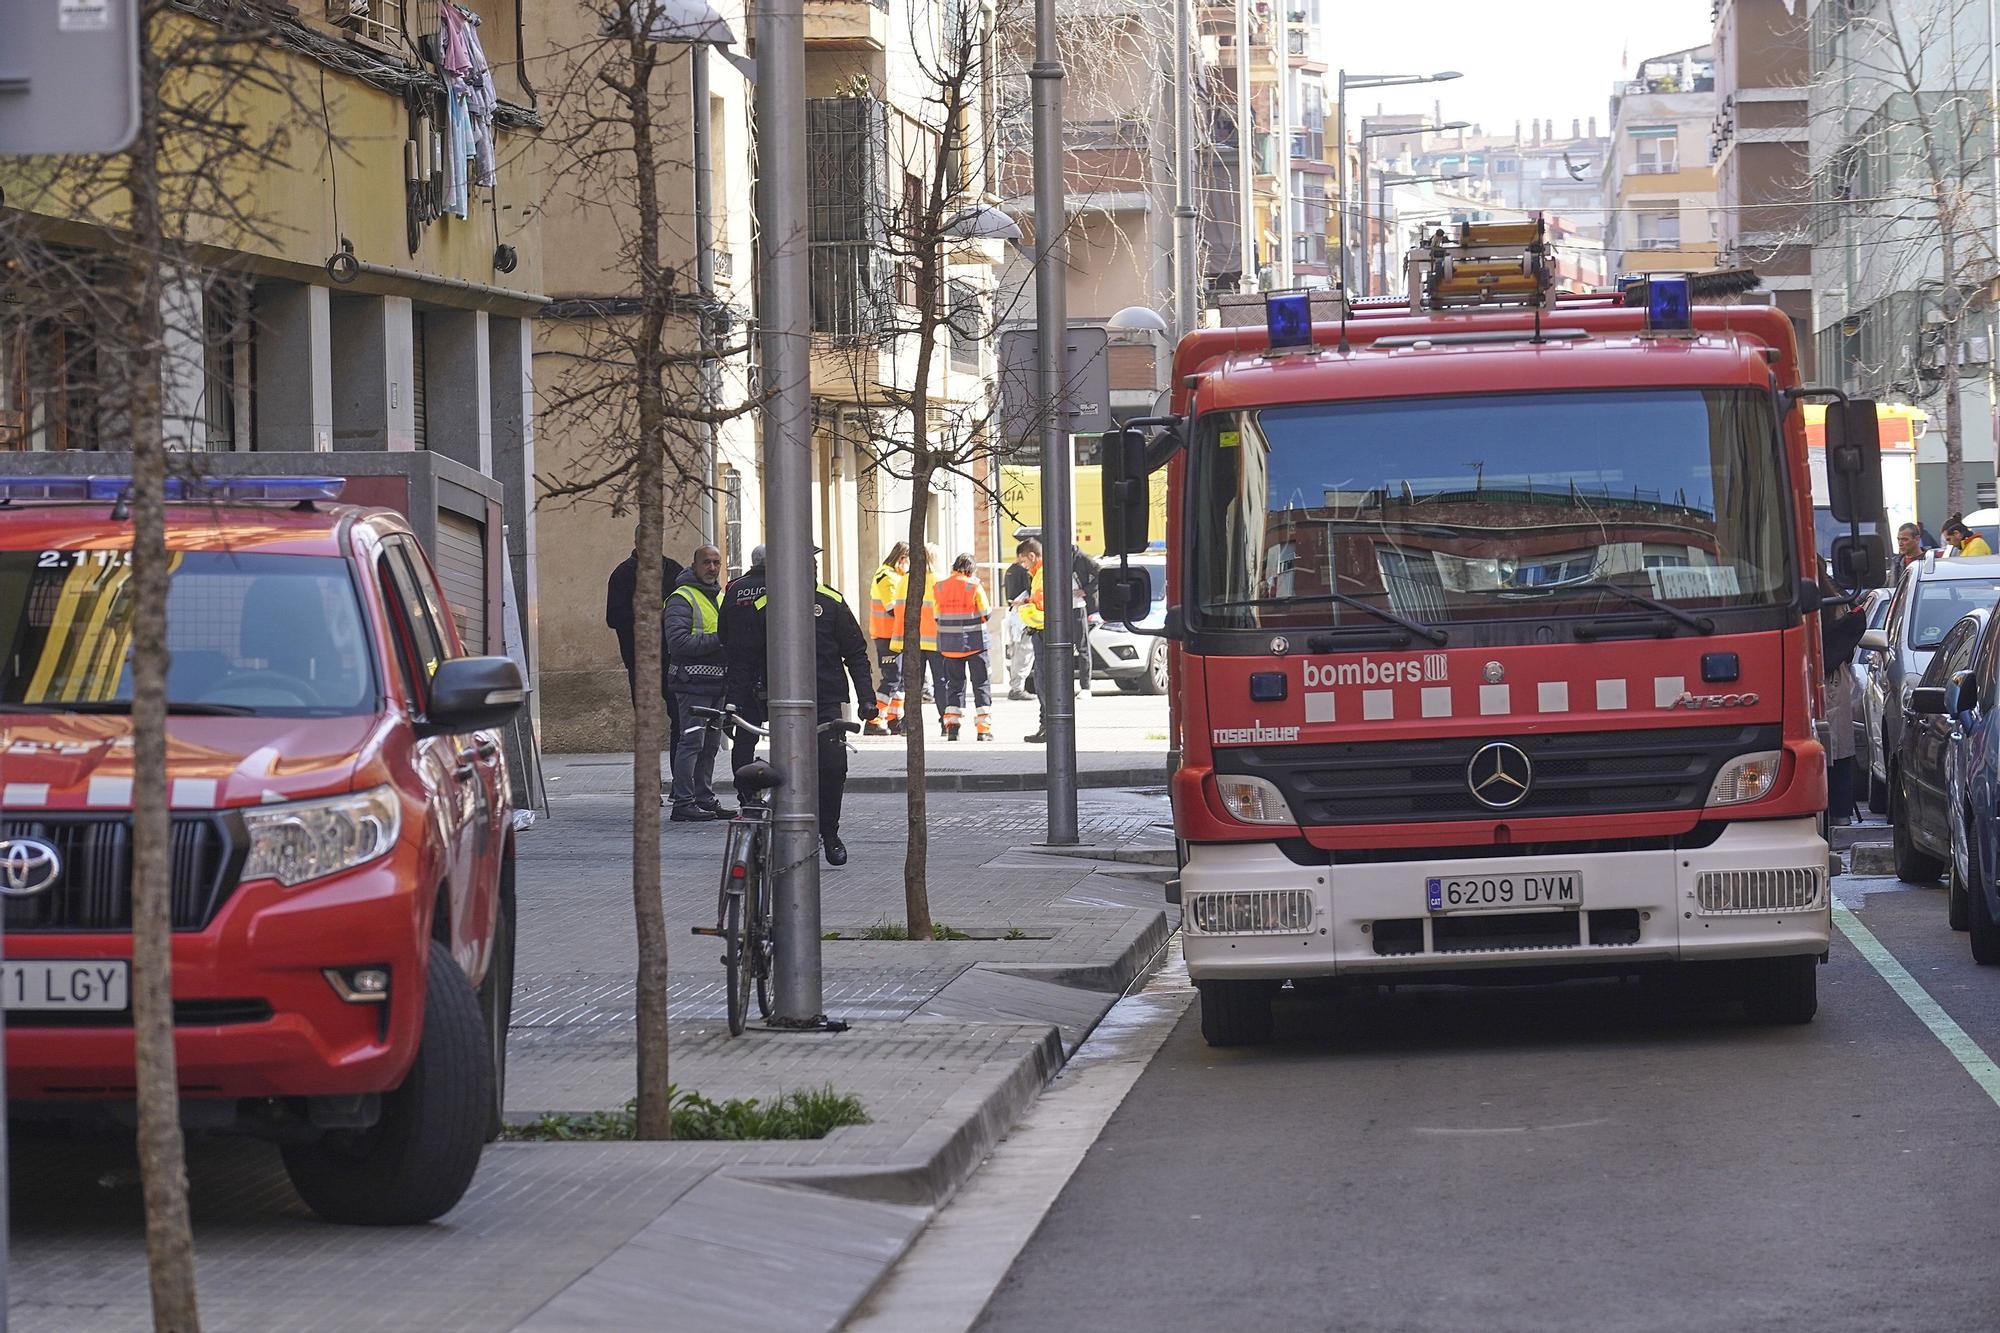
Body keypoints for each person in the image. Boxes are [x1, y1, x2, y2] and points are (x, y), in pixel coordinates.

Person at [662, 545, 734, 821]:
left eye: (717, 562)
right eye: (707, 562)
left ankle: (703, 798)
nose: (712, 568)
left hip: (716, 684)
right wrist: (720, 639)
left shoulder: (719, 596)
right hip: (691, 683)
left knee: (710, 745)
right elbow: (678, 642)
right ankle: (683, 802)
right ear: (694, 565)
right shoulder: (681, 598)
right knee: (691, 742)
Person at [604, 527, 684, 735]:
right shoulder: (623, 574)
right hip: (639, 659)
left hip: (671, 656)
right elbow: (614, 617)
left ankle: (679, 767)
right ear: (636, 543)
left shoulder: (673, 570)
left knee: (679, 716)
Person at [718, 544, 768, 804]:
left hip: (741, 673)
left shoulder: (735, 588)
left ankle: (745, 794)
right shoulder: (779, 586)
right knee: (788, 731)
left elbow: (722, 631)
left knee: (744, 738)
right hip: (772, 671)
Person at [934, 553, 995, 741]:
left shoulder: (939, 586)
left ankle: (952, 728)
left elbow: (937, 615)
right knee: (981, 684)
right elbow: (986, 613)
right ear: (971, 569)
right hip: (975, 644)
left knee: (954, 686)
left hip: (949, 646)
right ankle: (983, 730)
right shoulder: (974, 585)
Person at [866, 544, 910, 735]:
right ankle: (874, 720)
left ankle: (894, 718)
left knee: (899, 679)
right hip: (886, 635)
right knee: (891, 678)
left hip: (895, 635)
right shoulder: (885, 576)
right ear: (902, 558)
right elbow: (892, 608)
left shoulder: (897, 576)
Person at [1012, 539, 1048, 743]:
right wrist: (1026, 601)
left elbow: (1041, 606)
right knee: (1042, 681)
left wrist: (1023, 609)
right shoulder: (1038, 575)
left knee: (1044, 682)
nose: (1023, 565)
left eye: (1023, 561)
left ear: (1032, 556)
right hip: (1041, 632)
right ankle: (1045, 725)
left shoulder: (1042, 575)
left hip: (1042, 631)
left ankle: (1047, 726)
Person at [1003, 543, 1035, 699]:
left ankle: (1016, 686)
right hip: (1024, 616)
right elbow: (1030, 593)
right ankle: (1017, 688)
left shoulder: (1009, 571)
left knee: (1017, 652)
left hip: (1014, 616)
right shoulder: (1023, 572)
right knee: (1024, 652)